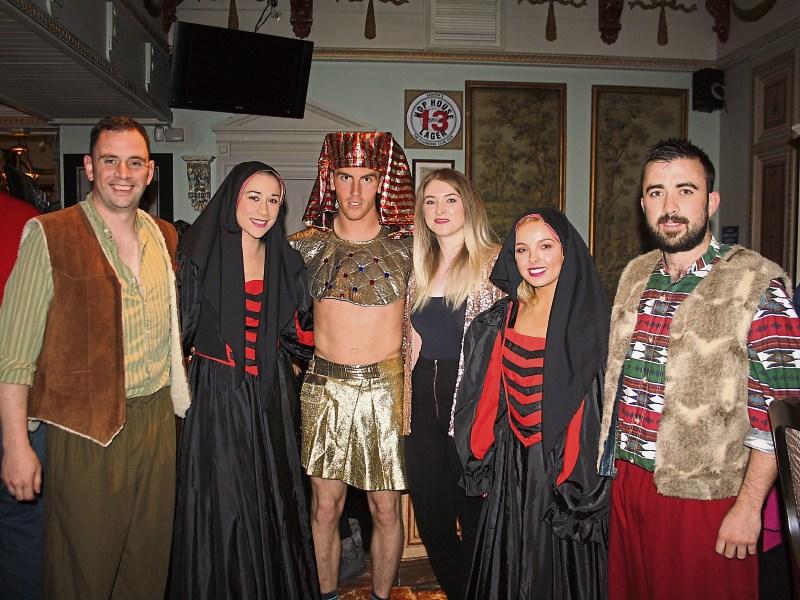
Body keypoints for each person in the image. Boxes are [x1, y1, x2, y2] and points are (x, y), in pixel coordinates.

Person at [598, 138, 800, 599]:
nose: (669, 206)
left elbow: (783, 410)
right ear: (643, 203)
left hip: (707, 498)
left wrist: (749, 507)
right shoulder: (635, 274)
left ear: (710, 201)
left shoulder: (757, 282)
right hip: (629, 484)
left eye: (684, 190)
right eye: (655, 192)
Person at [0, 116, 190, 599]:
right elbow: (13, 356)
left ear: (150, 173)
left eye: (133, 163)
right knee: (81, 574)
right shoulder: (49, 234)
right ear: (88, 167)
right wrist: (17, 446)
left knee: (147, 569)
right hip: (85, 428)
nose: (122, 173)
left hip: (156, 421)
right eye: (110, 161)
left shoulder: (163, 237)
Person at [169, 162, 318, 598]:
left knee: (269, 500)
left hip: (270, 397)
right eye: (254, 197)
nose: (264, 209)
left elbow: (300, 336)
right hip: (216, 394)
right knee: (224, 502)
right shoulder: (198, 255)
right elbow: (179, 331)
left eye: (274, 200)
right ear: (233, 197)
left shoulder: (287, 261)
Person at [454, 208, 610, 599]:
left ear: (566, 251)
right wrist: (484, 459)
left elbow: (597, 409)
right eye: (522, 250)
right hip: (512, 464)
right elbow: (487, 395)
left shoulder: (590, 322)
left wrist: (580, 484)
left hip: (562, 467)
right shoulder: (502, 317)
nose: (534, 259)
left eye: (545, 246)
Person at [289, 131, 415, 600]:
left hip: (387, 391)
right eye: (345, 177)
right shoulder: (303, 246)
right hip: (323, 388)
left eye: (367, 177)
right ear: (330, 178)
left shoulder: (409, 248)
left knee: (386, 511)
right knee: (325, 508)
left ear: (382, 181)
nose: (356, 191)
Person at [403, 168, 502, 600]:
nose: (439, 210)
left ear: (467, 204)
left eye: (449, 199)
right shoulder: (417, 267)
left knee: (477, 515)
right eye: (430, 201)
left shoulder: (498, 262)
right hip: (422, 398)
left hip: (473, 403)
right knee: (431, 515)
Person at [0, 189, 43, 600]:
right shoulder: (29, 221)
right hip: (20, 405)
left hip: (20, 404)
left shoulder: (27, 224)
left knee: (22, 525)